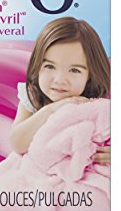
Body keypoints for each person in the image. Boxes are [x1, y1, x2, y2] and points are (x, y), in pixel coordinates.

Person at [10, 17, 111, 165]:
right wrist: (50, 110)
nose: (59, 79)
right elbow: (17, 144)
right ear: (37, 66)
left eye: (74, 70)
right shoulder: (32, 96)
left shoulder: (97, 106)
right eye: (50, 66)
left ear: (90, 75)